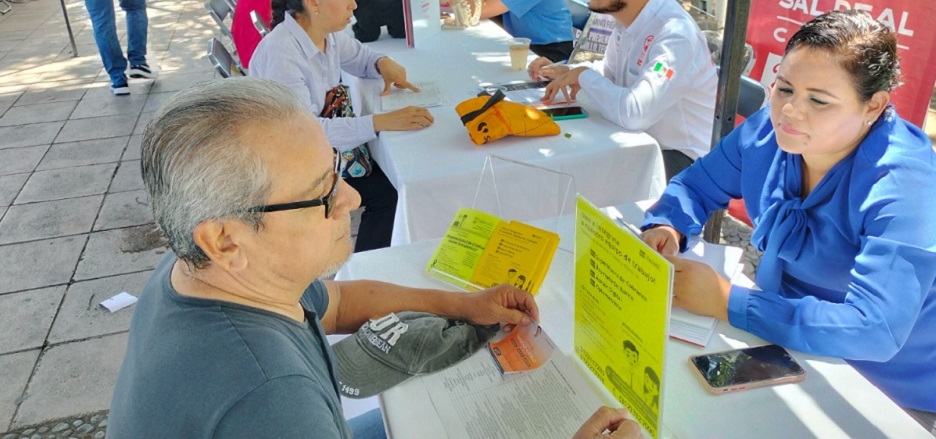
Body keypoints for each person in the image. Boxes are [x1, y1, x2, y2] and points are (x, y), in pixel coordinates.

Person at [105, 77, 640, 439]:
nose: (352, 198)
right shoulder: (272, 401)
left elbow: (335, 301)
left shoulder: (203, 271)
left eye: (336, 170)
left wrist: (463, 304)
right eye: (321, 193)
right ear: (225, 239)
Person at [641, 10, 936, 439]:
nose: (791, 110)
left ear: (875, 106)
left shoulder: (908, 189)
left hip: (912, 402)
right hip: (797, 355)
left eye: (819, 100)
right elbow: (697, 184)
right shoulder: (770, 134)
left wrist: (728, 301)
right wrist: (667, 225)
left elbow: (874, 328)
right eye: (784, 87)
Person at [249, 0, 434, 251]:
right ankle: (364, 276)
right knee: (388, 194)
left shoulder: (324, 33)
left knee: (392, 175)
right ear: (313, 2)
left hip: (316, 150)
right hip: (289, 166)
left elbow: (360, 56)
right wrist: (381, 122)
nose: (354, 4)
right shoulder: (282, 53)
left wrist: (382, 63)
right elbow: (304, 132)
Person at [532, 0, 717, 178]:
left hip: (685, 163)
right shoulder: (630, 19)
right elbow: (610, 74)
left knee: (569, 171)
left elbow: (634, 113)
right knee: (556, 159)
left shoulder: (676, 35)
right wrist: (566, 72)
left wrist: (584, 76)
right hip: (641, 142)